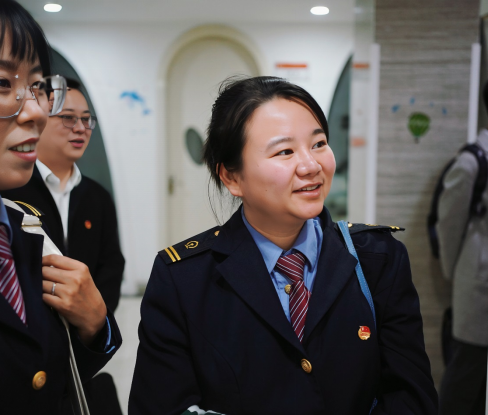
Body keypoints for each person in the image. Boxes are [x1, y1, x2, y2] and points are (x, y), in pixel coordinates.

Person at [129, 76, 438, 415]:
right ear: (231, 177)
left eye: (318, 144)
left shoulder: (378, 258)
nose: (311, 165)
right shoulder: (183, 279)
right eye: (285, 151)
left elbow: (412, 398)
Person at [0, 1, 121, 413]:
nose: (37, 111)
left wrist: (95, 323)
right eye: (1, 82)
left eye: (38, 86)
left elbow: (42, 374)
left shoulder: (22, 231)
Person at [2, 78, 125, 312]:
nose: (80, 128)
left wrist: (94, 320)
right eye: (68, 117)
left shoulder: (98, 197)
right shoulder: (8, 188)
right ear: (37, 119)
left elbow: (111, 267)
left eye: (86, 119)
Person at [437, 75, 488, 415]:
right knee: (464, 377)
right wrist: (456, 275)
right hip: (475, 286)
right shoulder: (472, 161)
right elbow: (448, 226)